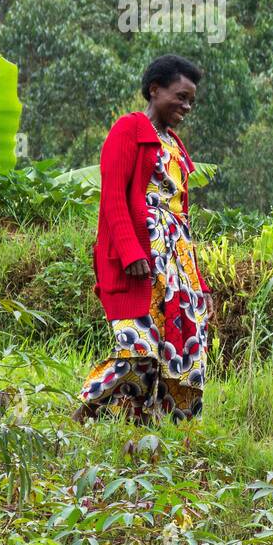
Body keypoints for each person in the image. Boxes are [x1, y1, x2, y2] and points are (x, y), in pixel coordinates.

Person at [77, 54, 214, 422]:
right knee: (138, 350)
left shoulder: (175, 145)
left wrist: (198, 283)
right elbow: (114, 198)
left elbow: (182, 214)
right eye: (180, 96)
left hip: (176, 258)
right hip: (140, 255)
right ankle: (83, 415)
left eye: (191, 101)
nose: (186, 106)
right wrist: (129, 252)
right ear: (155, 90)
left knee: (178, 352)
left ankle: (158, 434)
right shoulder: (129, 129)